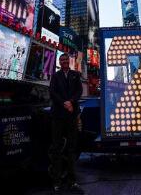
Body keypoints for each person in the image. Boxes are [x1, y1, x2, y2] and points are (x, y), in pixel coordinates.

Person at [48, 53, 84, 194]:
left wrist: (71, 102)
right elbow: (52, 92)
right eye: (61, 60)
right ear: (59, 61)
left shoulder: (75, 75)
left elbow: (79, 91)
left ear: (69, 61)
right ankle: (56, 182)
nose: (63, 62)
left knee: (71, 149)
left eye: (65, 60)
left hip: (71, 116)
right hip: (58, 116)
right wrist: (64, 103)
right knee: (56, 149)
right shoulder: (55, 76)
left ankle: (72, 181)